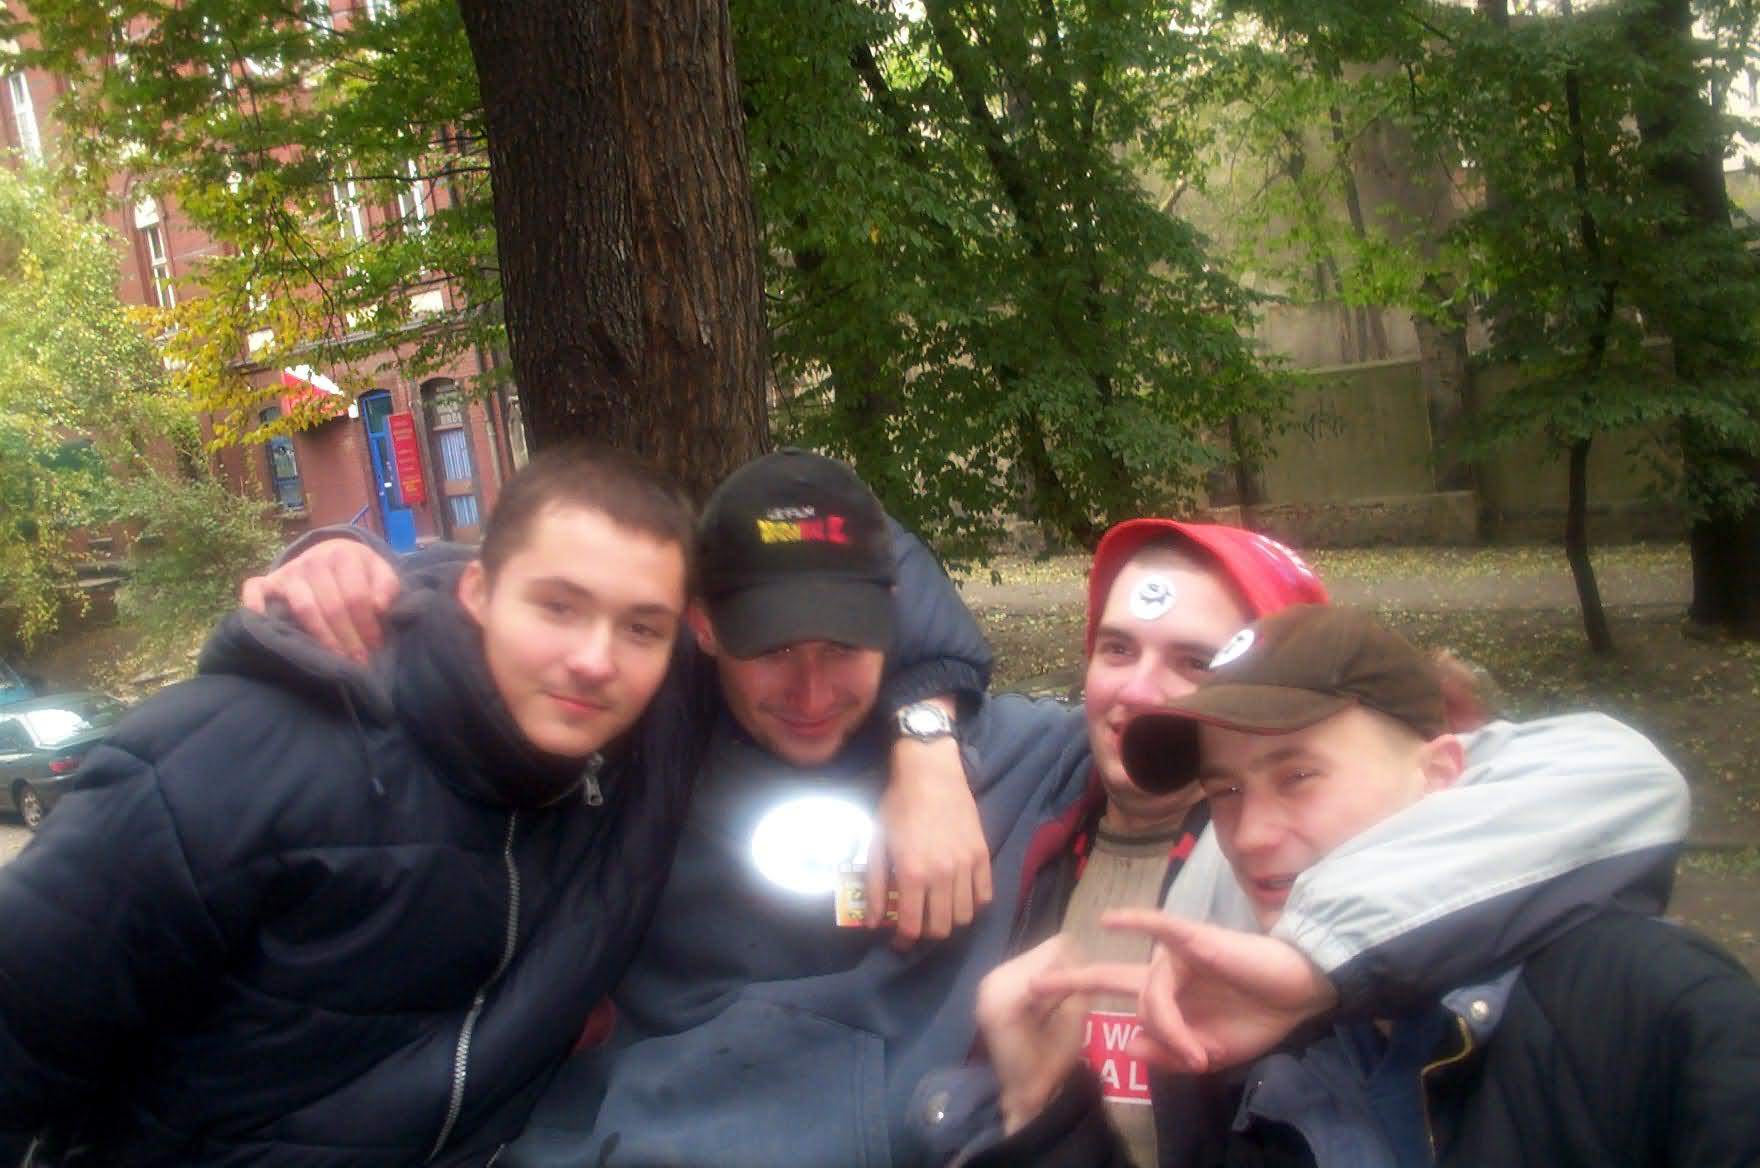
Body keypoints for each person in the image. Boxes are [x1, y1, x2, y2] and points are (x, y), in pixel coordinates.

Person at [261, 506, 1689, 1168]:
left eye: (1197, 664)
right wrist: (387, 572)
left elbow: (1605, 774)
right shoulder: (1032, 760)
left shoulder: (1289, 854)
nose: (1140, 692)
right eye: (1116, 647)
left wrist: (1320, 955)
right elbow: (819, 541)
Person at [0, 447, 707, 1164]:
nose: (595, 661)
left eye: (642, 628)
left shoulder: (642, 752)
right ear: (477, 592)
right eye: (557, 606)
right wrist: (342, 553)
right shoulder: (224, 761)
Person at [972, 605, 1760, 1167]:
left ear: (1439, 773)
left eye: (1299, 776)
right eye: (1227, 791)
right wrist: (1044, 1107)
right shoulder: (1232, 1040)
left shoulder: (1651, 1009)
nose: (1252, 834)